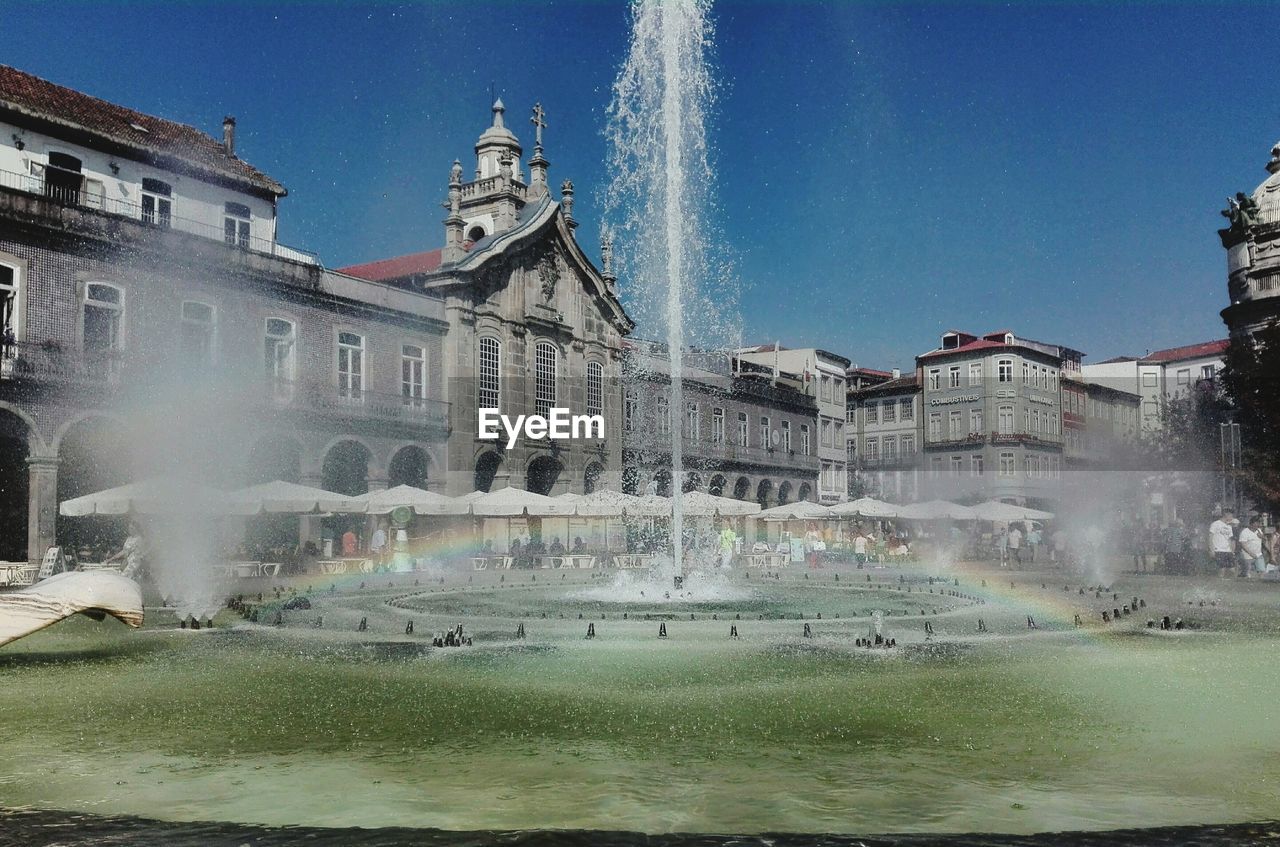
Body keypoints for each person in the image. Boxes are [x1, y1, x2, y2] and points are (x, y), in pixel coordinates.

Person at [1209, 510, 1237, 578]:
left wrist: (1232, 551)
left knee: (1232, 570)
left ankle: (1229, 584)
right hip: (1218, 550)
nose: (1232, 518)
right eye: (1231, 516)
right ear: (1226, 515)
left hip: (1228, 550)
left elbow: (1230, 539)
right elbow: (1210, 537)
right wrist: (1211, 549)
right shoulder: (1215, 524)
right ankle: (1219, 584)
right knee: (1222, 569)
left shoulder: (1229, 526)